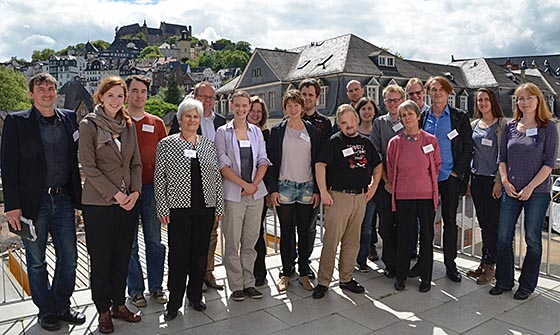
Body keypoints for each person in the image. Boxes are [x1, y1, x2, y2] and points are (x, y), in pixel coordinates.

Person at [1, 73, 85, 331]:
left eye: (51, 88)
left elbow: (75, 159)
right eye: (41, 89)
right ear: (31, 94)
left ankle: (62, 305)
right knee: (36, 261)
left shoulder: (69, 118)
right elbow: (8, 165)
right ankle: (46, 310)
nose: (47, 93)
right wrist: (12, 206)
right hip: (31, 204)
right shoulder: (17, 122)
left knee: (69, 258)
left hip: (63, 199)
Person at [79, 76, 142, 333]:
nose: (116, 100)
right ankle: (103, 310)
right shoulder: (89, 125)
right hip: (100, 204)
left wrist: (135, 192)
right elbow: (89, 167)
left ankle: (119, 303)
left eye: (120, 96)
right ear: (101, 96)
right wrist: (116, 195)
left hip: (128, 202)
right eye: (111, 95)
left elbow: (135, 163)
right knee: (102, 259)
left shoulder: (128, 126)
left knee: (121, 257)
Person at [154, 98, 224, 320]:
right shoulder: (167, 144)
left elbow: (216, 177)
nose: (192, 120)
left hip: (205, 207)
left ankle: (195, 296)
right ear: (180, 119)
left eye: (196, 116)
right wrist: (162, 207)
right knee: (178, 256)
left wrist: (219, 205)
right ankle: (174, 301)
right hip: (178, 209)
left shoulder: (207, 145)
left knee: (200, 254)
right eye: (188, 116)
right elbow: (159, 179)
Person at [489, 83, 558, 300]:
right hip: (511, 189)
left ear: (538, 100)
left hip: (536, 193)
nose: (525, 102)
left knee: (532, 239)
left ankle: (527, 285)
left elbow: (549, 164)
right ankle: (504, 281)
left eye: (529, 98)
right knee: (503, 238)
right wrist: (506, 182)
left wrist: (530, 187)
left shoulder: (549, 127)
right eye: (520, 99)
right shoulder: (510, 126)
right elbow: (502, 159)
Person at [312, 104, 382, 299]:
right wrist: (324, 191)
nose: (348, 125)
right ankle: (323, 282)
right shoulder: (334, 142)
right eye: (343, 122)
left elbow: (378, 166)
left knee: (352, 241)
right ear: (339, 124)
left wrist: (373, 187)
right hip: (338, 198)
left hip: (360, 198)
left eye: (351, 121)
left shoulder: (366, 143)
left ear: (357, 120)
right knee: (331, 242)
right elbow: (320, 165)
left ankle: (346, 278)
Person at [216, 90, 271, 301]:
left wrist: (254, 185)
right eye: (237, 105)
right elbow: (222, 163)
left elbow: (263, 160)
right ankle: (236, 285)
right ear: (232, 106)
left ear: (249, 107)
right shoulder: (223, 132)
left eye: (244, 106)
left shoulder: (256, 132)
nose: (241, 109)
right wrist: (243, 185)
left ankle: (249, 282)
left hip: (256, 194)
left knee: (250, 242)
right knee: (232, 242)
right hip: (233, 194)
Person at [171, 82, 226, 291]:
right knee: (188, 237)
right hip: (188, 188)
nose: (208, 101)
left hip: (213, 185)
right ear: (194, 97)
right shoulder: (186, 118)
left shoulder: (221, 121)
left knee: (210, 233)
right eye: (203, 97)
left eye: (211, 97)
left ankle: (207, 272)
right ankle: (190, 278)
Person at [420, 76, 473, 283]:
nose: (437, 93)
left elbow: (468, 146)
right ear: (429, 93)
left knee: (450, 222)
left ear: (449, 92)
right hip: (426, 178)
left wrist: (457, 172)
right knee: (426, 223)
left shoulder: (459, 117)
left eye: (442, 89)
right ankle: (424, 264)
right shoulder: (423, 116)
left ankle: (451, 265)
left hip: (449, 177)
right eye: (433, 89)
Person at [268, 89, 320, 292]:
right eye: (289, 105)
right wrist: (273, 189)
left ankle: (305, 272)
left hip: (307, 186)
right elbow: (271, 162)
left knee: (305, 231)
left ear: (302, 106)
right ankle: (286, 272)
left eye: (296, 105)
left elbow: (317, 162)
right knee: (287, 232)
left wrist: (317, 189)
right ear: (285, 107)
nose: (293, 108)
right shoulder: (277, 131)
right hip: (285, 186)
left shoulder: (312, 131)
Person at [386, 100, 441, 293]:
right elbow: (391, 168)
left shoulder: (430, 140)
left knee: (426, 238)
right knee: (404, 238)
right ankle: (401, 276)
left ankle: (426, 278)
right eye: (403, 115)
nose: (407, 118)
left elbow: (436, 164)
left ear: (418, 116)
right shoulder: (395, 143)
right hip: (404, 196)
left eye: (410, 113)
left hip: (426, 196)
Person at [125, 75, 168, 307]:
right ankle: (136, 289)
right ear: (127, 93)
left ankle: (157, 287)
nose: (138, 95)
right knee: (129, 244)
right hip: (128, 190)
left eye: (142, 91)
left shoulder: (157, 122)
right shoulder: (119, 121)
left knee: (154, 241)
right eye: (134, 91)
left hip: (152, 188)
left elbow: (166, 158)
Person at [467, 88, 506, 285]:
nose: (483, 103)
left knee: (493, 225)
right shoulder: (474, 124)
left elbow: (503, 155)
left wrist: (499, 181)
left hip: (493, 182)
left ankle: (492, 266)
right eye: (479, 100)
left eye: (486, 99)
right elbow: (470, 154)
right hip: (477, 180)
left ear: (493, 101)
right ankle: (484, 261)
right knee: (483, 223)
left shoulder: (502, 125)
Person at [298, 78, 333, 279]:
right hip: (291, 180)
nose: (307, 98)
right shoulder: (290, 120)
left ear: (317, 97)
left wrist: (322, 187)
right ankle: (291, 263)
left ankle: (305, 262)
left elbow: (327, 155)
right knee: (292, 226)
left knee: (310, 227)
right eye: (304, 94)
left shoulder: (324, 123)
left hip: (313, 182)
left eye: (311, 95)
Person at [370, 84, 406, 279]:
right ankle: (390, 264)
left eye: (396, 100)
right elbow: (375, 153)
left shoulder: (409, 119)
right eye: (389, 100)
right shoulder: (379, 123)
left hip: (406, 184)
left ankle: (403, 262)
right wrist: (385, 180)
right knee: (385, 225)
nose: (392, 104)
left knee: (404, 225)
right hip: (385, 184)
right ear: (384, 102)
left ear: (402, 100)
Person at [354, 97, 381, 271]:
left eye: (369, 108)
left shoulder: (378, 131)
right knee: (355, 224)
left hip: (375, 183)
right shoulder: (352, 131)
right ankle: (352, 255)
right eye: (363, 109)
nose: (366, 112)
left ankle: (363, 256)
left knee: (367, 225)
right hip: (355, 184)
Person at [247, 96, 271, 287]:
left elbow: (270, 165)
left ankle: (259, 271)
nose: (255, 114)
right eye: (252, 110)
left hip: (260, 191)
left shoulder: (267, 134)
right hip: (238, 191)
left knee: (257, 232)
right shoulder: (235, 132)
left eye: (259, 111)